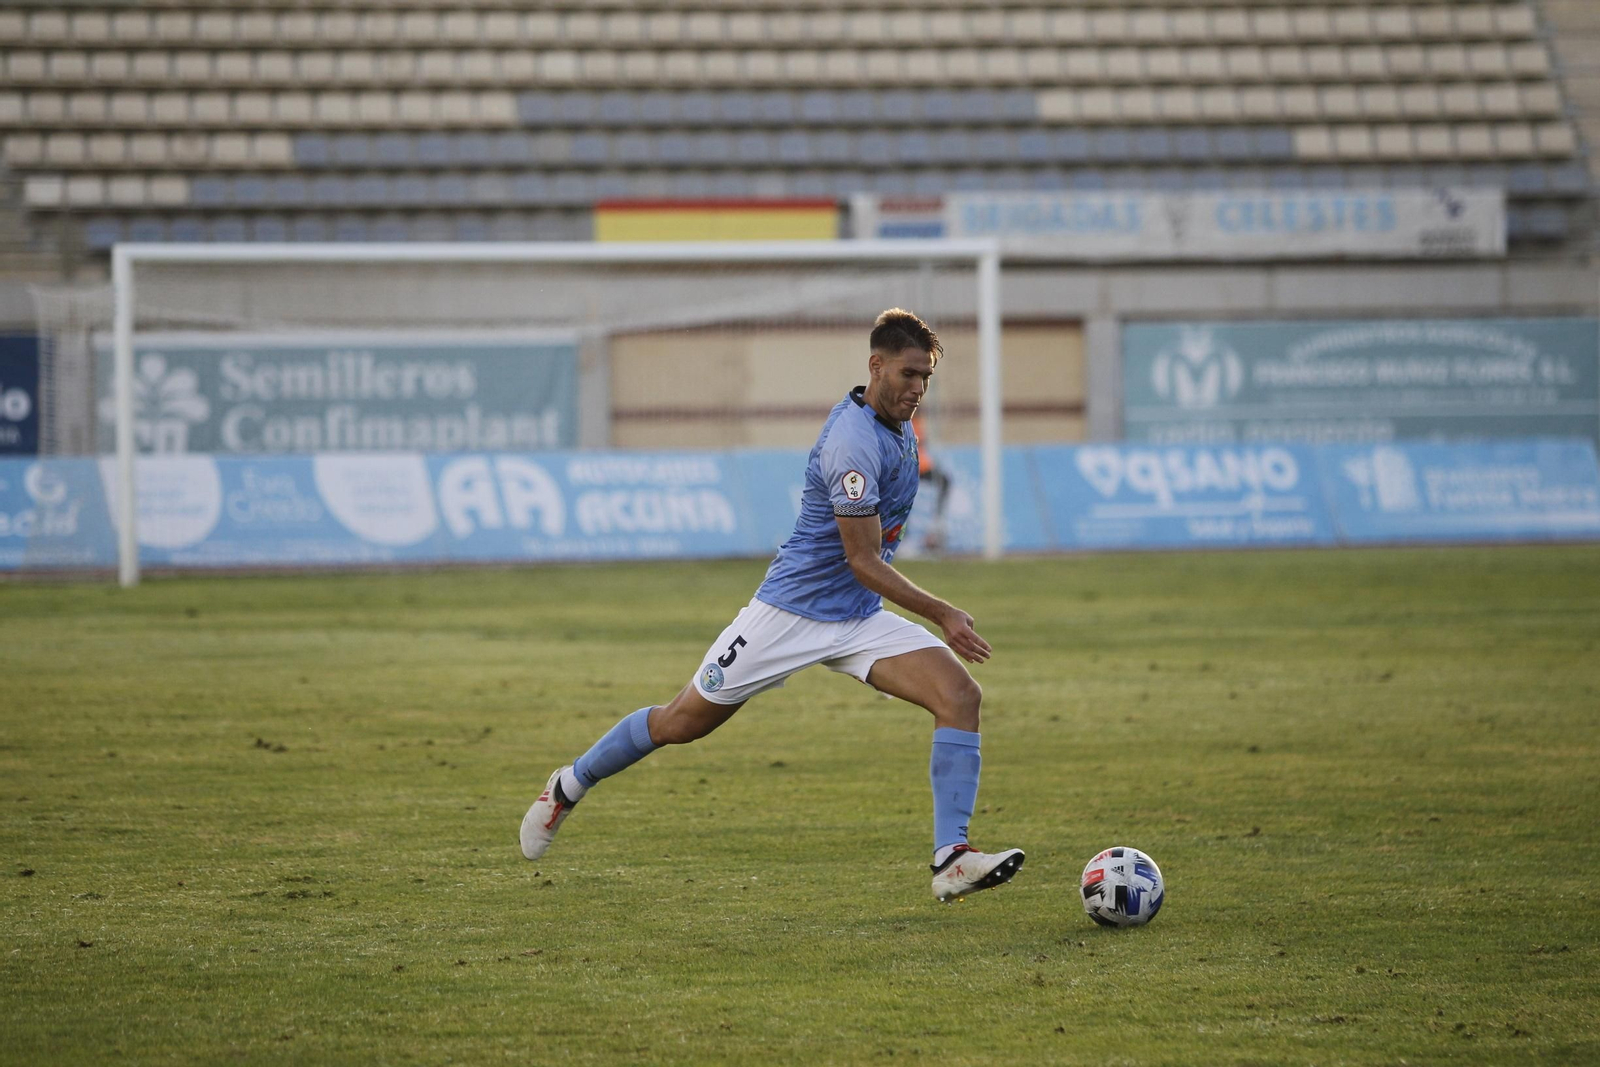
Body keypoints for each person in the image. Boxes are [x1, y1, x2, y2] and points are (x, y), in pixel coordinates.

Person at [521, 308, 1023, 903]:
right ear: (876, 365)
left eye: (927, 378)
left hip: (856, 618)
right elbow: (864, 559)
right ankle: (568, 784)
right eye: (910, 374)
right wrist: (942, 611)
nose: (918, 388)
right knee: (681, 722)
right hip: (789, 615)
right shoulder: (852, 444)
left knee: (960, 695)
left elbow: (865, 573)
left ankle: (951, 858)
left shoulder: (896, 429)